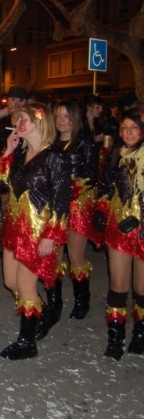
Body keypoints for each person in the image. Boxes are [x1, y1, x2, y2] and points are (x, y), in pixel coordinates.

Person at [0, 102, 70, 360]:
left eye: (23, 119)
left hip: (38, 231)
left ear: (39, 121)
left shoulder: (55, 157)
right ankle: (41, 310)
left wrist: (52, 236)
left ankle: (27, 342)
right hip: (16, 227)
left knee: (25, 284)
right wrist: (8, 151)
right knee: (10, 282)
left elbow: (62, 200)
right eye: (16, 120)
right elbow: (1, 183)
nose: (18, 125)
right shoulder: (20, 153)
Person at [40, 100, 98, 340]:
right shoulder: (49, 143)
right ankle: (55, 303)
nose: (61, 120)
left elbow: (91, 174)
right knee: (54, 255)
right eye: (58, 116)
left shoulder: (84, 141)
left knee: (75, 256)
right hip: (54, 206)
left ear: (75, 118)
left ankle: (82, 300)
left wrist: (71, 189)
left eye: (66, 116)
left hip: (78, 204)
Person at [93, 107, 144, 361]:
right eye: (124, 128)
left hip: (143, 230)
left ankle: (141, 334)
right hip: (119, 227)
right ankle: (116, 338)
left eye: (134, 127)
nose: (128, 133)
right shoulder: (115, 154)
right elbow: (105, 186)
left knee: (142, 287)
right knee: (118, 284)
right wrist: (101, 208)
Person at [0, 87, 29, 258]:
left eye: (19, 100)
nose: (15, 103)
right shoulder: (4, 122)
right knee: (6, 207)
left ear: (26, 103)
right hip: (6, 171)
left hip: (23, 173)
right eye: (11, 100)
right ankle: (7, 246)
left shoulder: (32, 121)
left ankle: (21, 245)